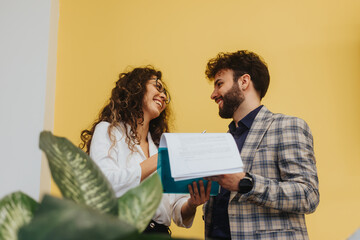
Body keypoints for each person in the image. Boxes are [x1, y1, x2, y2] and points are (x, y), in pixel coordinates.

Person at [80, 66, 211, 235]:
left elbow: (176, 210)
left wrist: (192, 203)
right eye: (158, 87)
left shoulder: (159, 147)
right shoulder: (108, 131)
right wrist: (159, 160)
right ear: (136, 88)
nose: (163, 96)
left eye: (165, 94)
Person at [203, 50, 320, 239]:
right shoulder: (224, 140)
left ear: (244, 81)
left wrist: (246, 184)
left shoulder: (287, 126)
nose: (213, 94)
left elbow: (308, 195)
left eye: (219, 84)